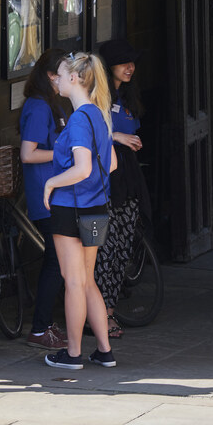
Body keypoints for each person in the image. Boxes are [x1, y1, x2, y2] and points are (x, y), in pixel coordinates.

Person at [42, 52, 118, 370]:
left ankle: (73, 353)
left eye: (59, 75)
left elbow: (82, 168)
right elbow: (111, 164)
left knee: (73, 281)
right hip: (97, 207)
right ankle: (104, 350)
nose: (55, 80)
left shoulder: (77, 119)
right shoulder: (99, 115)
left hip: (70, 208)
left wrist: (51, 184)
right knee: (87, 280)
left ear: (74, 78)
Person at [96, 38, 153, 340]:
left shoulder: (128, 95)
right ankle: (99, 314)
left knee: (122, 245)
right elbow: (89, 131)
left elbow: (135, 127)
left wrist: (128, 139)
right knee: (104, 246)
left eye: (132, 62)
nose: (130, 68)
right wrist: (116, 136)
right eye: (123, 63)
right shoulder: (98, 95)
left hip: (128, 173)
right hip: (106, 175)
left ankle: (109, 309)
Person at [20, 48, 69, 351]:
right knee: (56, 259)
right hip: (45, 194)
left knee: (58, 259)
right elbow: (28, 153)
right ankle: (39, 328)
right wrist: (66, 154)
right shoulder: (38, 107)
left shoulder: (52, 104)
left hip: (56, 192)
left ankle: (45, 324)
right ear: (52, 76)